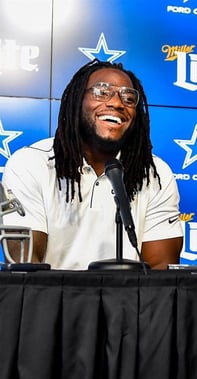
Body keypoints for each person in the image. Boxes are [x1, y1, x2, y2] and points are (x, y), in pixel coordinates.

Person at [2, 59, 183, 270]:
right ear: (77, 100)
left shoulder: (154, 173)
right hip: (52, 300)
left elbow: (161, 270)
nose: (117, 103)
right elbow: (26, 265)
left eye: (128, 98)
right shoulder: (31, 163)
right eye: (102, 92)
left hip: (131, 301)